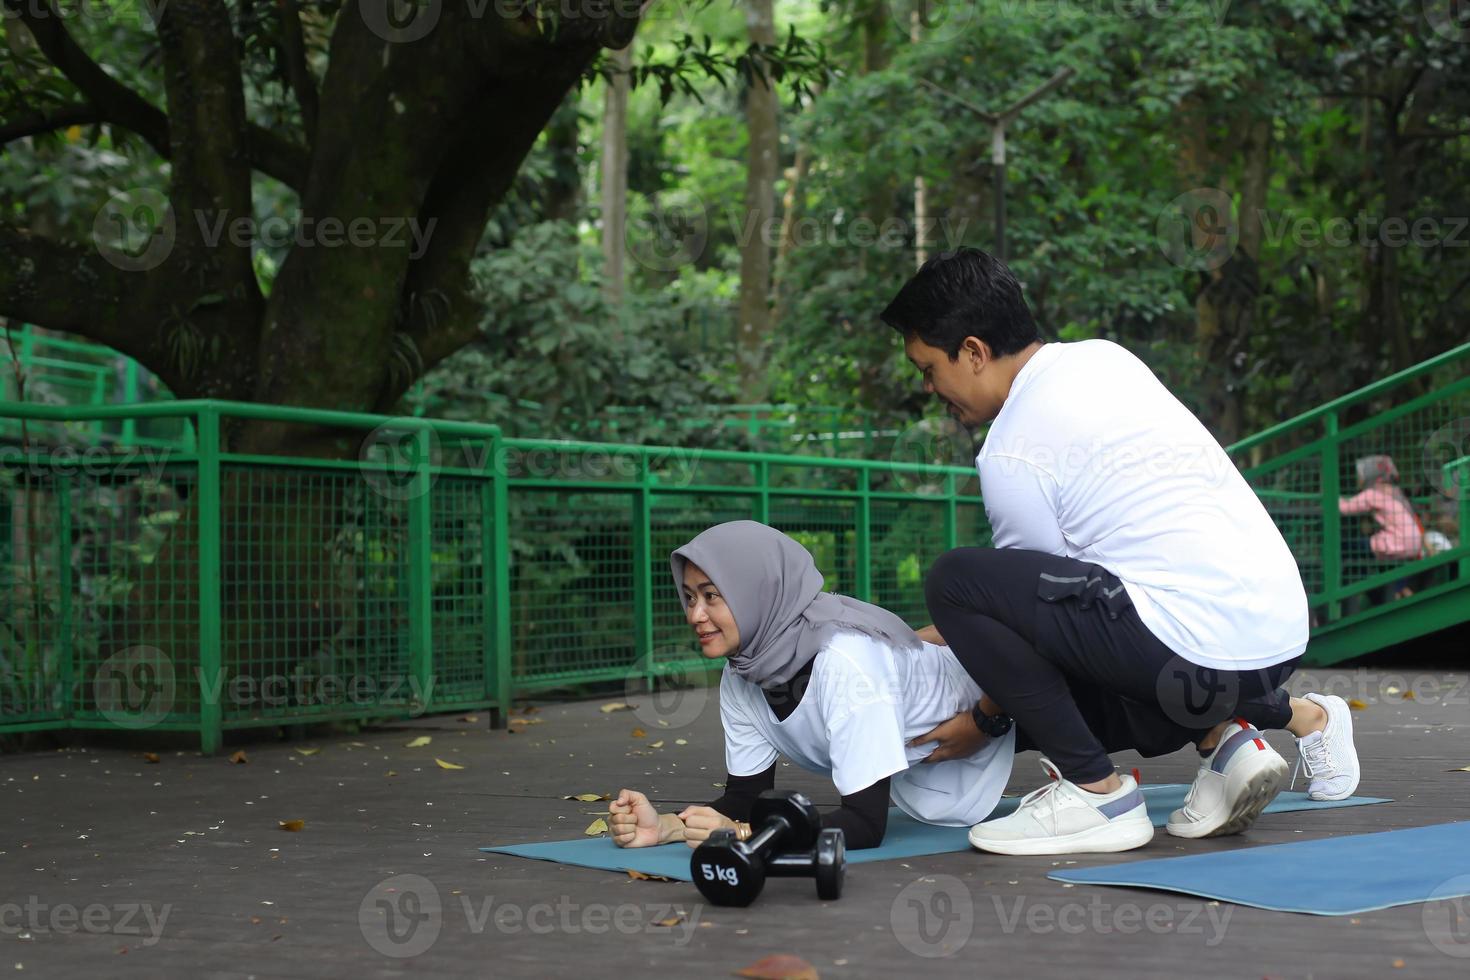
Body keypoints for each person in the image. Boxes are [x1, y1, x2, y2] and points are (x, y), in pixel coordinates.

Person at [878, 246, 1360, 856]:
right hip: (1277, 636)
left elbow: (1026, 629)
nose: (929, 389)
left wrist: (985, 721)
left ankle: (1096, 794)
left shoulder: (1011, 451)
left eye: (927, 369)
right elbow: (1066, 602)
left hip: (1192, 646)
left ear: (972, 352)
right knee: (1095, 630)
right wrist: (925, 637)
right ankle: (1229, 741)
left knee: (956, 581)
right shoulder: (1104, 359)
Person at [608, 520, 1017, 851]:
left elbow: (864, 825)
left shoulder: (846, 662)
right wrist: (667, 827)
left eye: (712, 596)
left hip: (1014, 700)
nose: (695, 615)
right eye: (689, 597)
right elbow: (744, 800)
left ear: (757, 592)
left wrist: (747, 835)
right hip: (939, 755)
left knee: (1076, 745)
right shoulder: (744, 672)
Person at [1340, 454, 1424, 599]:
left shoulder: (1373, 493)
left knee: (1347, 546)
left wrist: (1331, 498)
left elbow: (1345, 508)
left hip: (1396, 542)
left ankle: (1359, 585)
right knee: (1388, 562)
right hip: (1415, 543)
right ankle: (1401, 592)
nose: (1357, 478)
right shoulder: (1395, 491)